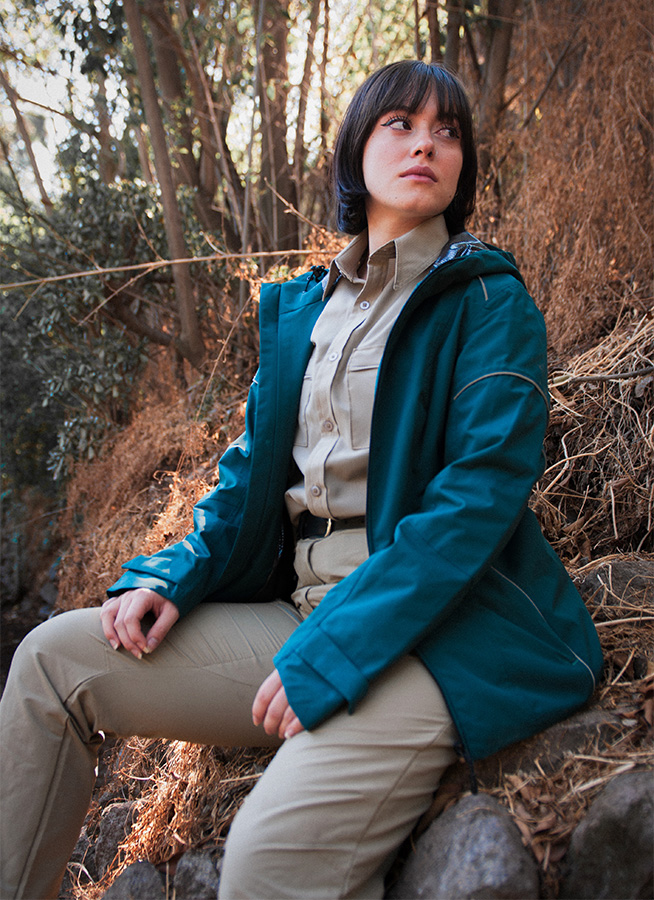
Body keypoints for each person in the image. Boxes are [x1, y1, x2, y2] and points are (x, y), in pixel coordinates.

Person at [0, 60, 603, 900]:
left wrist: (340, 643)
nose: (426, 143)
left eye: (448, 130)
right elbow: (250, 474)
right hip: (299, 614)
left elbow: (477, 500)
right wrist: (176, 573)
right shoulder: (307, 309)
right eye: (400, 123)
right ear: (356, 148)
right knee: (49, 666)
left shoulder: (488, 301)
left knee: (266, 863)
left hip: (436, 631)